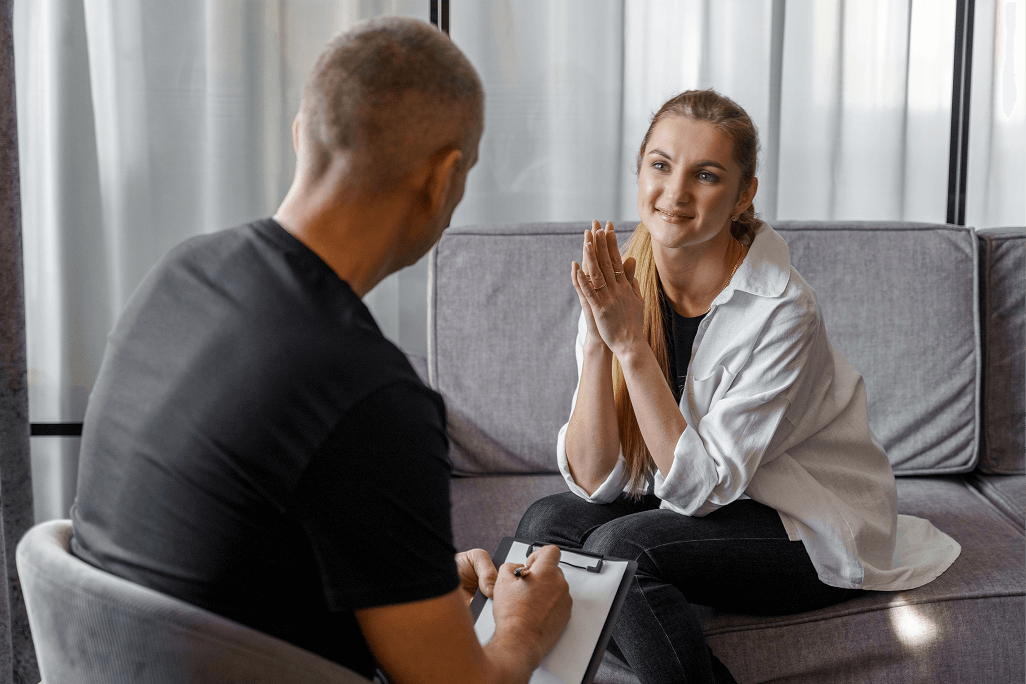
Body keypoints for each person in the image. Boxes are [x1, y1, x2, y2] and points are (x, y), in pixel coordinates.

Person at [70, 17, 571, 684]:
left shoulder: (181, 275)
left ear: (302, 131)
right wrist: (523, 628)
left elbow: (225, 536)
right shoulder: (369, 392)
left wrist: (400, 576)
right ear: (443, 179)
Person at [515, 89, 961, 684]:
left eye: (705, 175)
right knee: (546, 528)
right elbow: (597, 482)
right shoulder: (622, 282)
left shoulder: (782, 309)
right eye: (661, 165)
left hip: (795, 521)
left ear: (743, 193)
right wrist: (600, 345)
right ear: (640, 169)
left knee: (621, 551)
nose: (674, 194)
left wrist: (631, 348)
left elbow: (701, 490)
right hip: (690, 501)